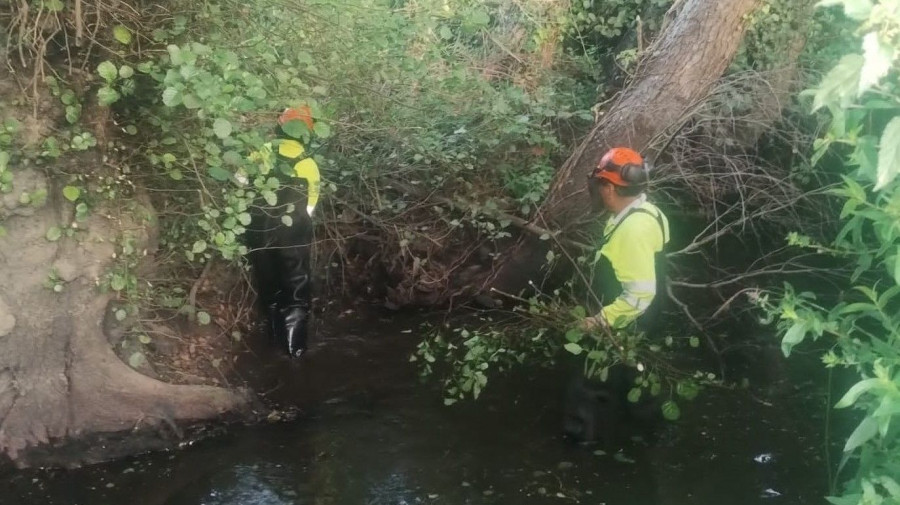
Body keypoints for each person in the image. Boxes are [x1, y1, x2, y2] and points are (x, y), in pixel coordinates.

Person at [563, 146, 670, 443]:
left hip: (625, 321)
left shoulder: (633, 230)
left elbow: (639, 294)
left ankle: (579, 446)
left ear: (609, 187)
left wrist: (599, 320)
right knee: (635, 378)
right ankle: (645, 439)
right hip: (645, 321)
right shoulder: (649, 213)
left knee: (588, 384)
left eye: (600, 185)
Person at [245, 107, 321, 358]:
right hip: (292, 239)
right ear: (305, 133)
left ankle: (273, 345)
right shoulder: (309, 165)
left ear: (280, 127)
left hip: (259, 234)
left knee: (271, 292)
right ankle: (293, 355)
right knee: (296, 296)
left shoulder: (262, 152)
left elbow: (240, 183)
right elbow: (309, 209)